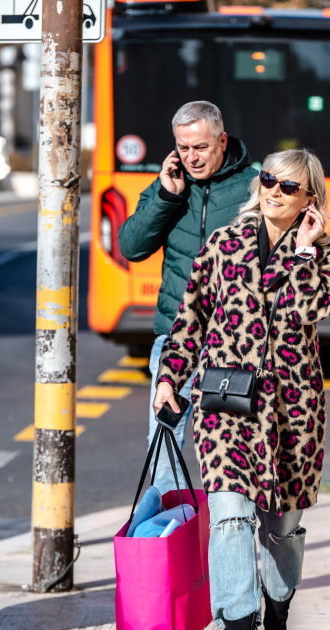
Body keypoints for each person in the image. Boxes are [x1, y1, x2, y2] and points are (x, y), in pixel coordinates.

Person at [153, 148, 330, 630]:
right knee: (230, 520)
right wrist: (170, 378)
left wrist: (306, 252)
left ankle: (279, 605)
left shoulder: (325, 256)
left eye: (289, 187)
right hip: (226, 409)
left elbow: (309, 309)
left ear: (311, 198)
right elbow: (190, 318)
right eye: (268, 181)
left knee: (280, 529)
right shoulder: (223, 244)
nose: (274, 192)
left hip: (293, 413)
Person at [119, 101, 259, 493]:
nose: (191, 158)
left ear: (222, 140)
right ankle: (175, 543)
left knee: (232, 456)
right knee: (163, 449)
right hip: (176, 340)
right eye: (183, 148)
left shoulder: (255, 184)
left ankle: (229, 538)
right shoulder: (170, 184)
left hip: (235, 345)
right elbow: (130, 247)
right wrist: (166, 196)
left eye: (200, 147)